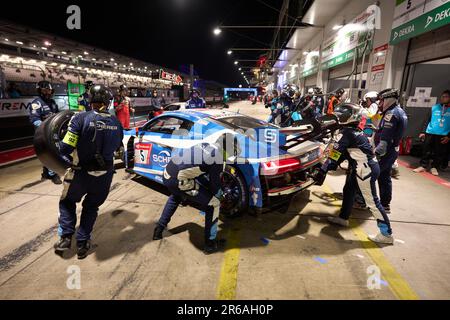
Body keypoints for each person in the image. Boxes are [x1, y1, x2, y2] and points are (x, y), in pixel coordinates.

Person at [54, 84, 123, 259]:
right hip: (105, 176)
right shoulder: (117, 122)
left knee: (67, 202)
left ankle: (66, 237)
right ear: (107, 101)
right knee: (91, 207)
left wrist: (56, 142)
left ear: (90, 100)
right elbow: (118, 148)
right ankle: (83, 242)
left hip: (81, 174)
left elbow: (65, 147)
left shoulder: (79, 119)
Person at [314, 103, 394, 244]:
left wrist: (322, 170)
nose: (338, 117)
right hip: (361, 167)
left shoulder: (346, 133)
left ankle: (386, 234)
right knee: (349, 190)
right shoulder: (354, 131)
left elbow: (334, 155)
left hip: (364, 169)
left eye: (341, 115)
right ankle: (343, 218)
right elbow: (344, 154)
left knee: (372, 202)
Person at [153, 133, 240, 254]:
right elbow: (215, 187)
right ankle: (210, 244)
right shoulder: (218, 158)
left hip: (168, 173)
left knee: (175, 196)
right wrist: (221, 195)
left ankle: (158, 230)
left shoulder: (205, 145)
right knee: (214, 203)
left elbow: (200, 172)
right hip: (179, 179)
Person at [374, 89, 408, 215]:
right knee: (384, 177)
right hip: (392, 151)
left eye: (381, 101)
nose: (379, 104)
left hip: (385, 152)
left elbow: (384, 141)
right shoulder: (400, 112)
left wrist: (375, 154)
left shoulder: (391, 114)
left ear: (388, 100)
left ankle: (361, 200)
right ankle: (385, 204)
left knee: (369, 174)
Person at [29, 81, 62, 185]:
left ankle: (46, 173)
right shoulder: (36, 103)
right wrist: (45, 127)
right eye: (46, 90)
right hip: (42, 134)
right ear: (40, 90)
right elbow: (34, 119)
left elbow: (57, 116)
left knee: (53, 152)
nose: (48, 92)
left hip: (53, 132)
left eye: (49, 90)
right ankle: (53, 174)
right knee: (49, 153)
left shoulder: (52, 102)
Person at [413, 90, 450, 176]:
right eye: (442, 96)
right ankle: (423, 165)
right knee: (426, 150)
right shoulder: (434, 107)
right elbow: (427, 120)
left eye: (446, 97)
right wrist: (423, 132)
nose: (443, 98)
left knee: (439, 152)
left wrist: (449, 136)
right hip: (430, 132)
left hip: (443, 134)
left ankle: (434, 167)